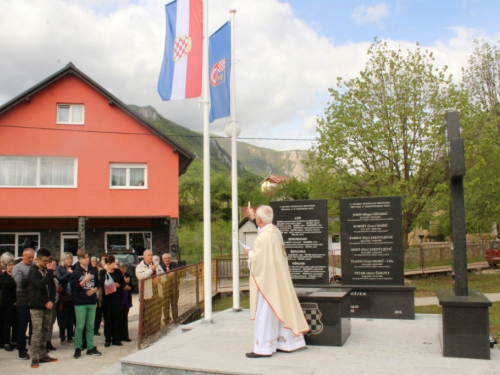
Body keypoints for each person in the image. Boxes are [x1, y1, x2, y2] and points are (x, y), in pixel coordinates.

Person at [244, 205, 310, 358]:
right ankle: (286, 342)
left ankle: (263, 348)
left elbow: (257, 260)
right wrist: (255, 215)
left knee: (265, 312)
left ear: (259, 219)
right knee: (281, 308)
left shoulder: (263, 237)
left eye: (256, 218)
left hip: (267, 281)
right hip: (279, 278)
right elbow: (263, 232)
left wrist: (249, 253)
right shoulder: (275, 231)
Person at [28, 248, 57, 368]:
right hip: (36, 306)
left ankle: (43, 354)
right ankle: (34, 357)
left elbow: (52, 287)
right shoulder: (33, 271)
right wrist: (50, 272)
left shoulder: (47, 271)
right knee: (37, 332)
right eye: (44, 261)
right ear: (38, 259)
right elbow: (40, 284)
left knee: (45, 331)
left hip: (47, 306)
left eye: (48, 261)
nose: (46, 263)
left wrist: (51, 300)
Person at [69, 249, 101, 358]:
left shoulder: (93, 270)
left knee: (90, 326)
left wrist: (94, 290)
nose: (87, 259)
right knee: (80, 326)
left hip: (91, 301)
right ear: (79, 259)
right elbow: (75, 288)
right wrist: (84, 280)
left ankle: (90, 347)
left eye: (87, 257)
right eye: (84, 258)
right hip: (80, 303)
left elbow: (97, 284)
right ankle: (78, 347)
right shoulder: (75, 272)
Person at [12, 248, 35, 360]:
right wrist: (32, 274)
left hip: (34, 299)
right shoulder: (17, 268)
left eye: (32, 257)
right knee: (22, 326)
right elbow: (20, 283)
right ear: (23, 256)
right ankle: (21, 350)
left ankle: (34, 347)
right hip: (23, 301)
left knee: (34, 326)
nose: (31, 260)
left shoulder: (34, 265)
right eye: (29, 257)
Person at [136, 249, 164, 335]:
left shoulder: (157, 265)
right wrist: (151, 270)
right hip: (147, 295)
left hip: (157, 293)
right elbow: (141, 277)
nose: (151, 256)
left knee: (157, 314)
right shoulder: (140, 267)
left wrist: (159, 279)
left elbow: (164, 276)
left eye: (151, 255)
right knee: (147, 316)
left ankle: (156, 332)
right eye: (148, 255)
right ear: (144, 257)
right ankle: (147, 334)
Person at [100, 255, 125, 347]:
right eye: (112, 263)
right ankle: (108, 339)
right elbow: (101, 283)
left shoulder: (118, 272)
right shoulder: (103, 272)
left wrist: (118, 285)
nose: (114, 265)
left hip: (117, 298)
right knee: (108, 319)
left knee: (116, 318)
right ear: (108, 264)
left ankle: (116, 339)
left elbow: (123, 283)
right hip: (107, 299)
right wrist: (107, 272)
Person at [56, 252, 75, 346]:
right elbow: (60, 279)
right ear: (63, 260)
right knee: (63, 318)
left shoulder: (73, 269)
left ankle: (70, 336)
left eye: (70, 259)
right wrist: (68, 273)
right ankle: (62, 337)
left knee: (71, 318)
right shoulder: (59, 268)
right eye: (67, 259)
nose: (69, 261)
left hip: (72, 296)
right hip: (63, 297)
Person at [0, 254, 17, 352]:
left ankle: (14, 341)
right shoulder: (2, 276)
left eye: (12, 265)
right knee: (7, 323)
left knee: (16, 323)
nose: (11, 267)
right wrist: (14, 277)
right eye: (9, 265)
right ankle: (6, 342)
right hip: (6, 303)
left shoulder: (16, 275)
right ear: (5, 266)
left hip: (16, 302)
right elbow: (6, 285)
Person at [161, 253, 178, 324]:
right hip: (165, 288)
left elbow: (178, 274)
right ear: (163, 260)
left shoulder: (174, 265)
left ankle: (176, 318)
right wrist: (169, 274)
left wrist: (170, 273)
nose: (167, 259)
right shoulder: (161, 267)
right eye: (166, 258)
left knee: (174, 303)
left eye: (169, 258)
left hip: (174, 287)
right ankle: (167, 320)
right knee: (166, 305)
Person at [118, 262, 132, 342]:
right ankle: (119, 336)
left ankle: (125, 336)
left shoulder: (128, 275)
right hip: (119, 299)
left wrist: (126, 285)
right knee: (119, 318)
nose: (123, 270)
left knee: (125, 318)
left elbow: (130, 287)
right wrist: (124, 283)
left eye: (125, 269)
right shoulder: (118, 275)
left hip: (126, 299)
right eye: (122, 269)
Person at [93, 254, 105, 336]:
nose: (94, 262)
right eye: (92, 261)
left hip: (100, 291)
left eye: (95, 261)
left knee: (99, 311)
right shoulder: (88, 270)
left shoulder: (100, 270)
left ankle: (96, 328)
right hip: (92, 291)